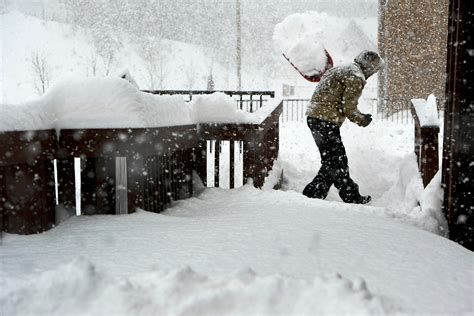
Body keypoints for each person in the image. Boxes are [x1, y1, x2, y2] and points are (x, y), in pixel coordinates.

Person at [303, 50, 383, 204]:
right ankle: (350, 196)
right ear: (370, 68)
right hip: (325, 120)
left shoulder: (342, 68)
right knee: (338, 161)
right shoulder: (356, 77)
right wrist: (362, 119)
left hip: (315, 117)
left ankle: (313, 194)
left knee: (332, 161)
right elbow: (349, 108)